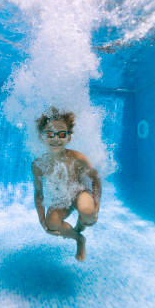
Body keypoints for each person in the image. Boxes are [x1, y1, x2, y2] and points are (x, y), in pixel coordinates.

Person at [31, 107, 101, 261]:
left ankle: (80, 224)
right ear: (42, 137)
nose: (56, 139)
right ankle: (79, 239)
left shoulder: (77, 158)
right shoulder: (38, 165)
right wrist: (42, 221)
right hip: (61, 198)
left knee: (88, 213)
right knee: (52, 223)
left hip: (79, 192)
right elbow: (39, 194)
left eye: (61, 134)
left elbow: (96, 179)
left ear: (69, 138)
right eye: (50, 134)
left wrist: (96, 207)